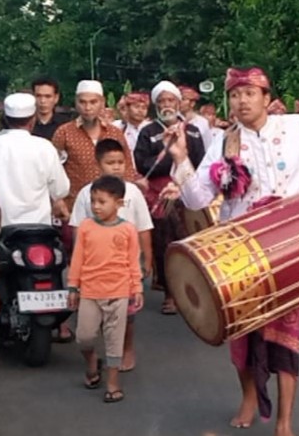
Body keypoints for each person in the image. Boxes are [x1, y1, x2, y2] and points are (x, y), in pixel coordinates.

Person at [164, 66, 299, 436]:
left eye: (249, 94)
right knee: (241, 330)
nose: (241, 101)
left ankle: (285, 420)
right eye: (235, 95)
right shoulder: (225, 142)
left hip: (291, 246)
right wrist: (180, 159)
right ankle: (248, 397)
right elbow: (197, 198)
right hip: (240, 253)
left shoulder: (293, 127)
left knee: (287, 333)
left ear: (265, 96)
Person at [70, 139, 154, 372]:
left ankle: (126, 349)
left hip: (126, 265)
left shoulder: (134, 192)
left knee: (127, 314)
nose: (116, 167)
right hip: (94, 267)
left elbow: (144, 227)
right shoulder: (87, 194)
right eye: (110, 163)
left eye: (120, 162)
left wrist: (148, 258)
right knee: (92, 316)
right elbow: (77, 227)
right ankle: (96, 353)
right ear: (98, 164)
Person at [67, 175, 144, 404]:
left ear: (119, 203)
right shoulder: (86, 228)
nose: (96, 206)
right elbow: (77, 258)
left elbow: (133, 261)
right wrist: (73, 287)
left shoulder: (128, 230)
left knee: (114, 338)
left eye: (102, 201)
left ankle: (113, 383)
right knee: (84, 337)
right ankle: (92, 360)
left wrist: (137, 288)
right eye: (93, 201)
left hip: (118, 292)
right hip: (89, 291)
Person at [135, 81, 206, 315]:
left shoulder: (193, 131)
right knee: (164, 244)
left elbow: (202, 165)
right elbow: (142, 164)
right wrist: (173, 157)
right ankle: (169, 293)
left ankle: (193, 290)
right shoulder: (148, 132)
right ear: (156, 105)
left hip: (187, 195)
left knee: (191, 242)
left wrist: (183, 166)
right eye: (162, 101)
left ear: (178, 103)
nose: (166, 105)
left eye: (170, 101)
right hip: (159, 197)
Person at [52, 80, 138, 219]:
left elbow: (127, 167)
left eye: (93, 102)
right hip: (75, 208)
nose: (88, 107)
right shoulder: (64, 133)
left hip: (111, 208)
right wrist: (57, 200)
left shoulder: (115, 133)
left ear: (102, 102)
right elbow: (54, 171)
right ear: (76, 102)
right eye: (83, 102)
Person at [0, 93, 71, 227]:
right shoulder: (44, 147)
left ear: (5, 118)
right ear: (32, 120)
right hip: (38, 228)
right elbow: (60, 190)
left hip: (0, 228)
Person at [118, 92, 151, 168]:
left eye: (144, 108)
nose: (140, 111)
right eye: (137, 107)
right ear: (127, 108)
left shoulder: (152, 128)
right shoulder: (119, 128)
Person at [179, 85, 213, 150]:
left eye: (183, 99)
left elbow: (208, 145)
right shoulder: (174, 120)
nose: (180, 102)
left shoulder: (202, 122)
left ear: (192, 103)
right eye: (178, 99)